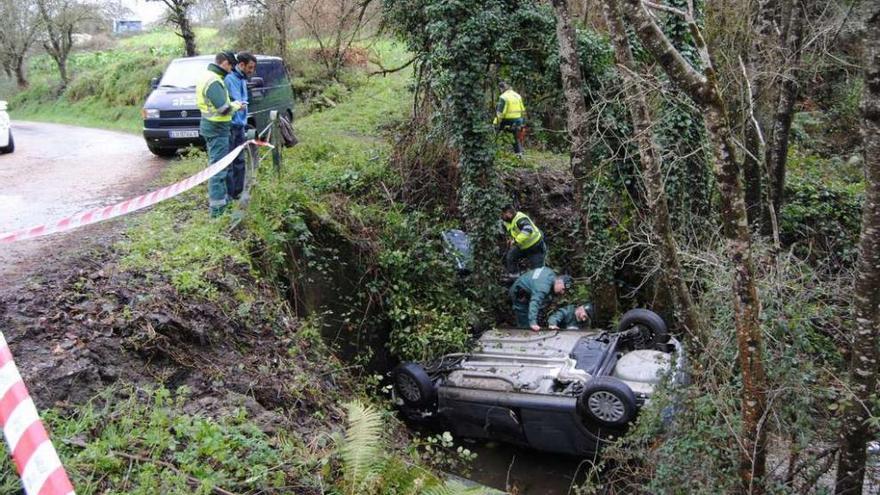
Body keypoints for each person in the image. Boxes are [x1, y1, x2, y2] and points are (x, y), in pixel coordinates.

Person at [197, 51, 245, 217]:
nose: (231, 69)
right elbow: (223, 109)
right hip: (216, 130)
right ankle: (217, 212)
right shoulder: (214, 81)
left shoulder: (210, 77)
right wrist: (237, 106)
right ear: (223, 62)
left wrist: (232, 103)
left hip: (216, 129)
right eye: (230, 65)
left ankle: (223, 203)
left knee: (221, 167)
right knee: (218, 170)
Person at [225, 51, 257, 201]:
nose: (251, 71)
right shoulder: (230, 79)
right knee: (230, 162)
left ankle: (238, 193)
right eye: (250, 67)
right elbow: (235, 103)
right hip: (231, 126)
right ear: (241, 65)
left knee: (240, 160)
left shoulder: (243, 79)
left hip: (240, 126)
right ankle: (229, 196)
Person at [501, 204, 546, 275]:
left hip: (535, 246)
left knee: (537, 271)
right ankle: (514, 277)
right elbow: (511, 231)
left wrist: (515, 241)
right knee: (511, 256)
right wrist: (510, 239)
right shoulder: (507, 221)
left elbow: (528, 230)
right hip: (522, 246)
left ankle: (537, 283)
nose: (501, 216)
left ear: (508, 213)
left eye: (502, 214)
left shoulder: (520, 218)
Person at [493, 81, 526, 158]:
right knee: (516, 137)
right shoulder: (518, 96)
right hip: (518, 120)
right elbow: (523, 110)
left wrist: (495, 123)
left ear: (502, 88)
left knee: (496, 132)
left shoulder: (503, 97)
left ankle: (495, 151)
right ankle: (519, 154)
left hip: (508, 120)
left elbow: (500, 114)